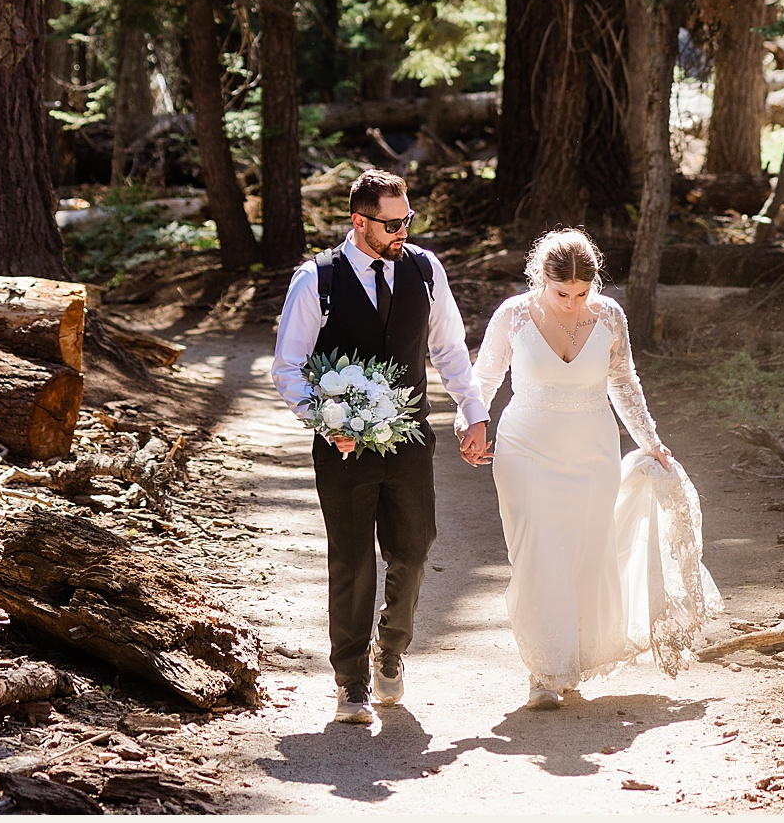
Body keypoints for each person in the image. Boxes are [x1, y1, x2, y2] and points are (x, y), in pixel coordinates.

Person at [270, 168, 491, 726]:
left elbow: (449, 349)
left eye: (407, 220)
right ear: (359, 221)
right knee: (351, 559)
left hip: (411, 440)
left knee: (414, 548)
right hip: (343, 445)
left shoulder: (424, 269)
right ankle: (351, 682)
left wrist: (474, 413)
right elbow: (288, 367)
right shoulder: (315, 279)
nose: (402, 232)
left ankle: (391, 648)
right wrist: (322, 418)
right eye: (391, 224)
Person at [469, 229, 721, 710]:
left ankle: (571, 663)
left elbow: (624, 383)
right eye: (562, 293)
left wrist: (651, 441)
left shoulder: (609, 317)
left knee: (585, 553)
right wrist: (472, 424)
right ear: (541, 279)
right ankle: (542, 672)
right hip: (526, 447)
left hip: (592, 448)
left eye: (581, 293)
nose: (571, 303)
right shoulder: (514, 315)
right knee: (537, 553)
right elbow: (485, 377)